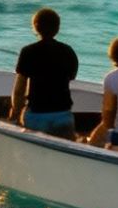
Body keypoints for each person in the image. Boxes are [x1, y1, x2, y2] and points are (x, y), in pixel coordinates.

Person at [9, 8, 78, 139]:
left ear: (35, 27)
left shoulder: (28, 52)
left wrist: (16, 112)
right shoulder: (68, 51)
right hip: (62, 114)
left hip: (36, 115)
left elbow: (19, 90)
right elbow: (70, 78)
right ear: (57, 28)